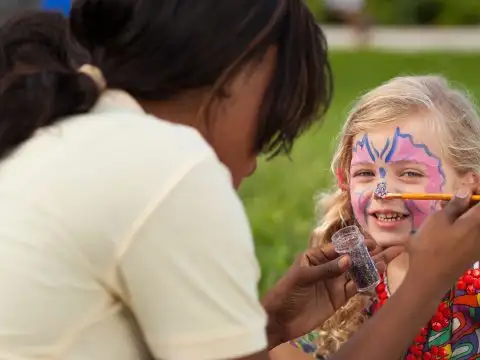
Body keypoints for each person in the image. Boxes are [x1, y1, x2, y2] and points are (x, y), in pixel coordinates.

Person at [0, 3, 480, 360]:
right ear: (244, 76)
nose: (254, 163)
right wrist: (429, 280)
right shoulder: (167, 168)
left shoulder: (81, 135)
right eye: (273, 121)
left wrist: (267, 323)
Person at [287, 75, 480, 359]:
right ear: (346, 181)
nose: (383, 192)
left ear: (468, 185)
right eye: (365, 173)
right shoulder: (341, 286)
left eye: (410, 173)